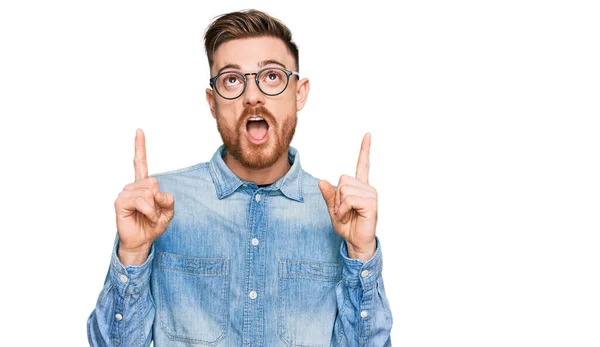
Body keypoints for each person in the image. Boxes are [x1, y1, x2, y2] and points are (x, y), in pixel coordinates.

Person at [87, 9, 392, 347]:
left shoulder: (340, 214)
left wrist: (362, 252)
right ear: (212, 101)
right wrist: (132, 253)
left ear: (299, 93)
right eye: (232, 80)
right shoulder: (156, 206)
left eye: (272, 76)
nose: (252, 96)